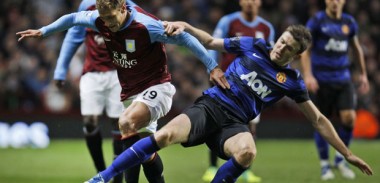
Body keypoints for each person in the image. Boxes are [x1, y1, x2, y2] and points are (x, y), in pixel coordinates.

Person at [82, 23, 373, 183]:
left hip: (235, 124)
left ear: (295, 55)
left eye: (288, 47)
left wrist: (346, 154)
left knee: (248, 153)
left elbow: (319, 120)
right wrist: (186, 27)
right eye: (281, 40)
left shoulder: (292, 80)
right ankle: (103, 178)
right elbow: (210, 42)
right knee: (164, 135)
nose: (280, 46)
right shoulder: (252, 45)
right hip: (209, 107)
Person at [16, 0, 229, 183]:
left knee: (126, 122)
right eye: (104, 19)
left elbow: (185, 39)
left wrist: (212, 66)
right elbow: (72, 19)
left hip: (157, 87)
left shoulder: (146, 25)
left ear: (122, 7)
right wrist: (43, 31)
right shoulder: (98, 18)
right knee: (144, 151)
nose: (108, 24)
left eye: (111, 18)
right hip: (130, 93)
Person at [53, 0, 139, 182]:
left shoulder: (126, 4)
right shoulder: (87, 5)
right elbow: (73, 36)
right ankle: (102, 173)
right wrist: (61, 70)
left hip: (118, 72)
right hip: (92, 73)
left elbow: (141, 26)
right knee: (90, 122)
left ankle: (117, 175)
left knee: (120, 123)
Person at [204, 0, 275, 182]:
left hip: (251, 86)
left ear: (259, 3)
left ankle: (245, 170)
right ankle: (212, 167)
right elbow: (213, 46)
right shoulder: (228, 21)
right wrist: (213, 68)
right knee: (217, 123)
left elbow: (272, 56)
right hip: (227, 81)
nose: (250, 2)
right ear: (240, 2)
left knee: (251, 127)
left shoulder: (266, 28)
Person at [299, 0, 370, 180]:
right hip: (321, 81)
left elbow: (356, 48)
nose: (335, 2)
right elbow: (306, 50)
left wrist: (363, 73)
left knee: (349, 118)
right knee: (322, 121)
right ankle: (325, 165)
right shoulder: (317, 21)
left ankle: (340, 158)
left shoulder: (349, 22)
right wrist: (308, 75)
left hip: (343, 79)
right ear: (326, 1)